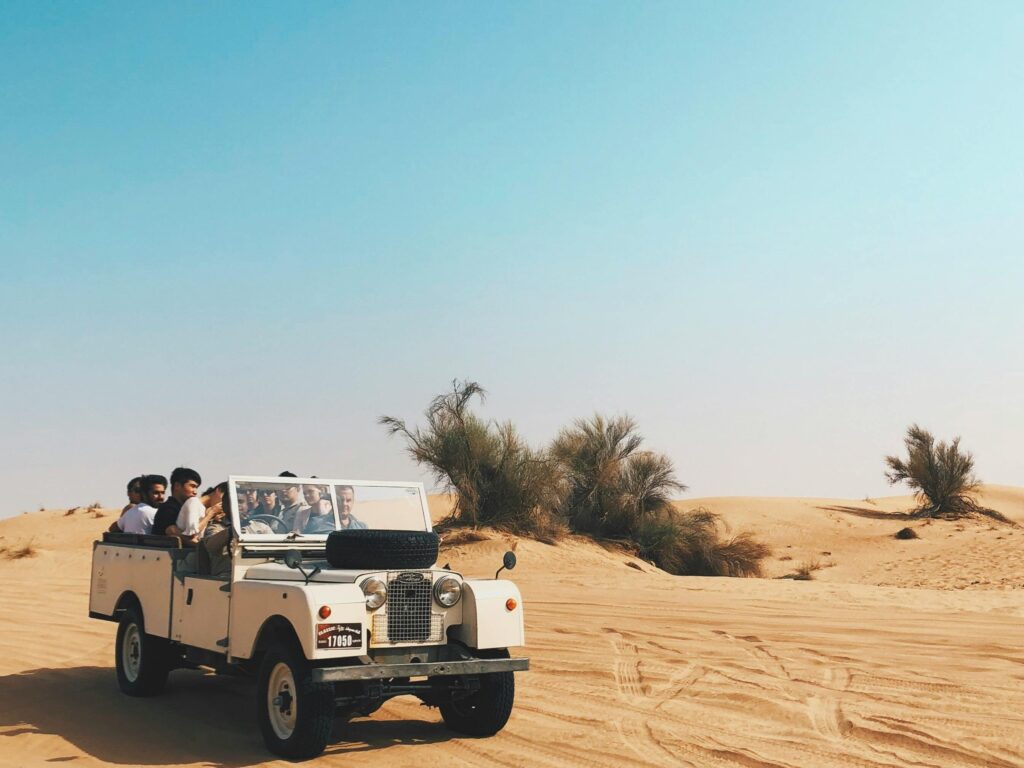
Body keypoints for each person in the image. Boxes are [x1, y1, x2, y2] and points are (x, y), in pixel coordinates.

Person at [152, 467, 202, 537]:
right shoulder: (169, 508)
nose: (195, 492)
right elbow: (172, 531)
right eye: (192, 486)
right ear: (177, 486)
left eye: (196, 488)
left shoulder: (181, 507)